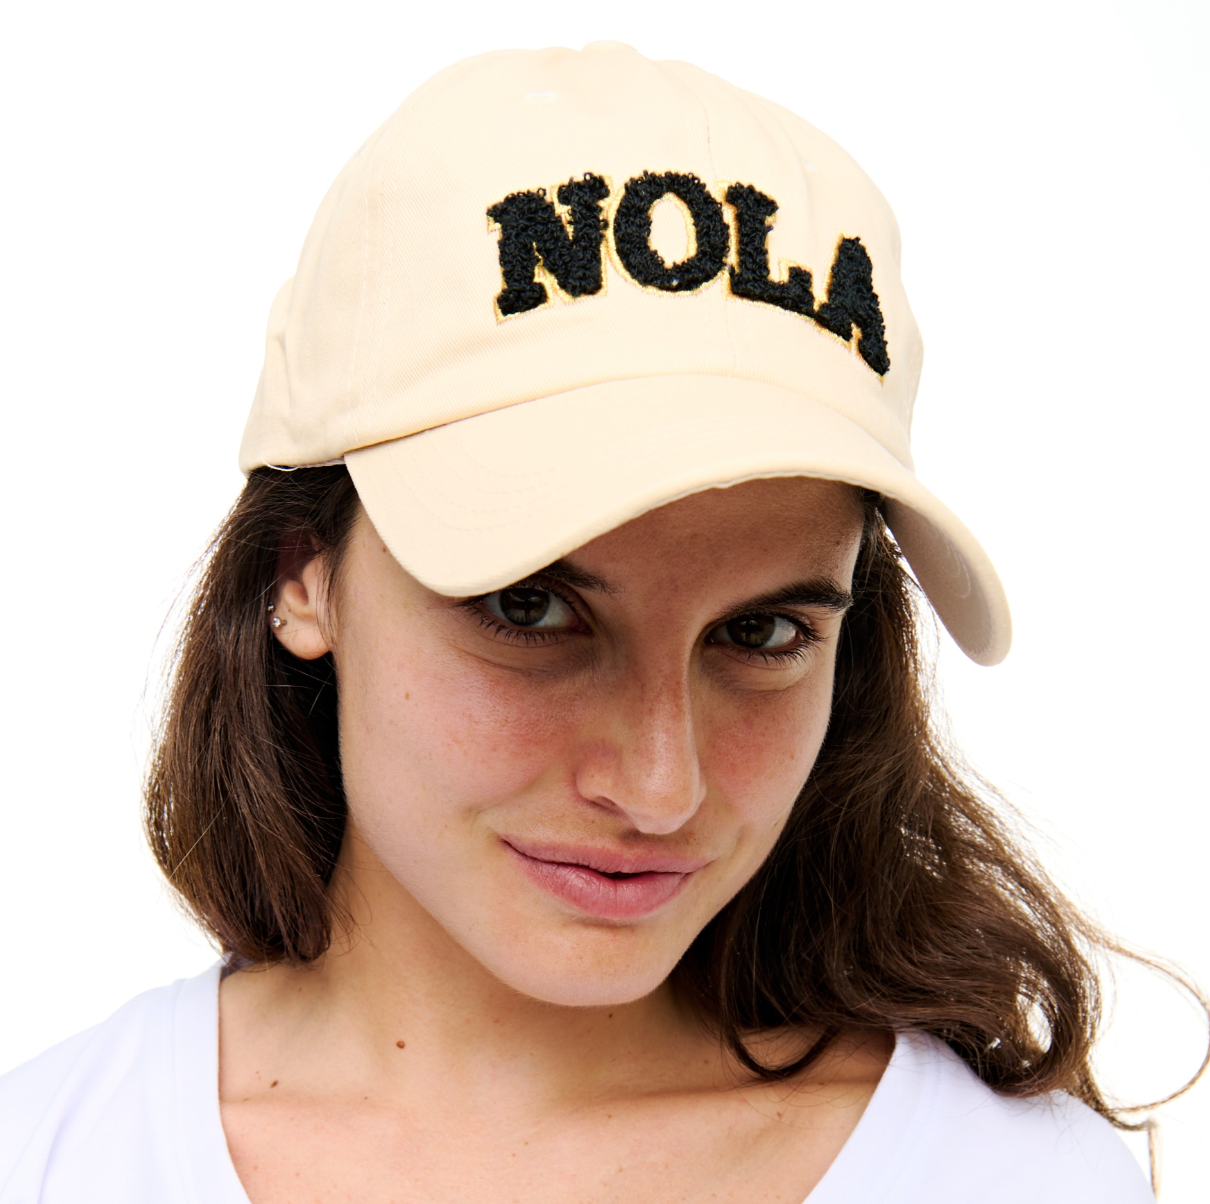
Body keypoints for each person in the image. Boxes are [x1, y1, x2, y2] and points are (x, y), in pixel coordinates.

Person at [0, 41, 1197, 1204]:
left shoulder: (1011, 1182)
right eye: (530, 608)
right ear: (300, 570)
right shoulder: (49, 1158)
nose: (661, 787)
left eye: (761, 635)